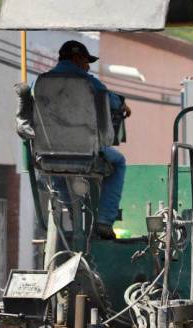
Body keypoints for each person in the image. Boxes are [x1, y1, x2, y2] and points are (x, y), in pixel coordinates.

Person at [47, 40, 131, 240]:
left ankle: (74, 214)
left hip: (49, 152)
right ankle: (104, 220)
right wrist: (123, 103)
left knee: (57, 172)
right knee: (118, 162)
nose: (87, 67)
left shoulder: (40, 82)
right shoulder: (88, 82)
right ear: (77, 59)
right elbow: (110, 101)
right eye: (86, 62)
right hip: (85, 152)